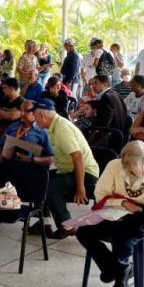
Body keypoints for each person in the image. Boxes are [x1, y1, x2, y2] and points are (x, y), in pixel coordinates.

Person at [77, 141, 144, 287]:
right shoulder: (114, 166)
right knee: (83, 232)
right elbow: (99, 194)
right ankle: (115, 267)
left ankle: (120, 274)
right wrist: (122, 202)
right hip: (113, 211)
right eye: (142, 165)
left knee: (122, 238)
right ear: (127, 164)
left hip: (143, 216)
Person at [33, 98, 99, 239]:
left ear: (42, 116)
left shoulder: (62, 128)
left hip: (85, 174)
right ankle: (45, 223)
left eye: (36, 118)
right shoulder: (52, 127)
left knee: (51, 187)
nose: (35, 121)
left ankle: (67, 226)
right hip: (68, 170)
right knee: (40, 180)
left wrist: (81, 188)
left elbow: (78, 158)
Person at [0, 100, 54, 202]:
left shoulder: (42, 132)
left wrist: (32, 159)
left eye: (26, 111)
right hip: (6, 164)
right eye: (21, 110)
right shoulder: (13, 126)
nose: (22, 114)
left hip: (28, 168)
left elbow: (51, 159)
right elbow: (1, 147)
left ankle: (4, 201)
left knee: (9, 178)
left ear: (35, 113)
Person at [91, 74, 129, 141]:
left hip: (111, 135)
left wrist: (95, 133)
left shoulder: (106, 97)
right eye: (93, 83)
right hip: (120, 132)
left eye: (96, 83)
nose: (93, 86)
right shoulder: (115, 94)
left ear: (105, 85)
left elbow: (105, 121)